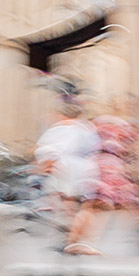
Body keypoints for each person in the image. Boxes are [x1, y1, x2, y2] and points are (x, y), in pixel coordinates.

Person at [66, 100, 139, 257]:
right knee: (100, 208)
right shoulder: (124, 128)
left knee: (90, 206)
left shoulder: (95, 124)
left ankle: (75, 239)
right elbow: (130, 149)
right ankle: (85, 241)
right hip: (110, 168)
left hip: (94, 166)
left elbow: (84, 145)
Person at [33, 97, 99, 240]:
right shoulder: (88, 128)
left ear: (62, 114)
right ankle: (80, 236)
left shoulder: (59, 128)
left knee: (62, 202)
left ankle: (65, 234)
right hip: (86, 169)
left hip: (65, 167)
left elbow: (46, 150)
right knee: (83, 205)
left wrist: (45, 165)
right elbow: (94, 148)